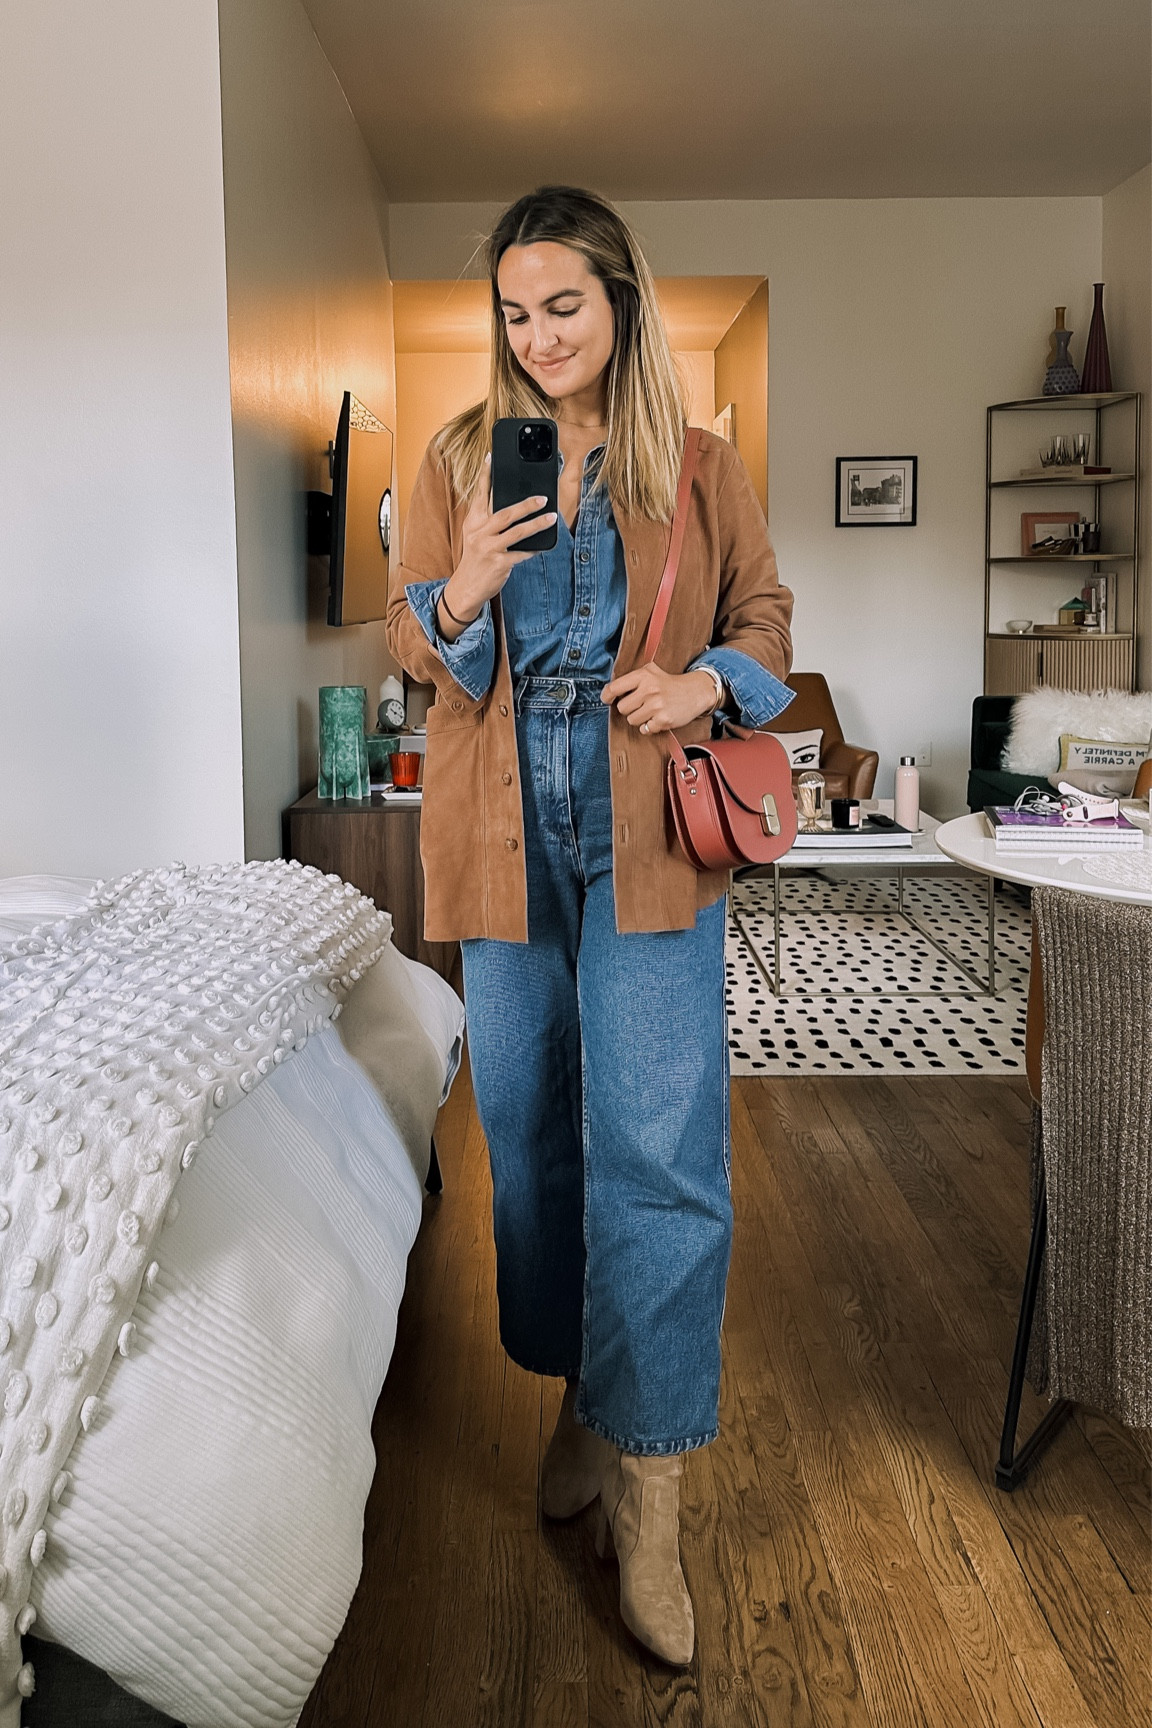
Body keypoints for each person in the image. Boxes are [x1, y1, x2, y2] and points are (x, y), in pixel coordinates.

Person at [386, 185, 794, 1666]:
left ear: (620, 301)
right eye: (515, 310)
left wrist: (708, 689)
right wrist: (464, 589)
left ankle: (654, 1490)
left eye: (564, 304)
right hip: (500, 827)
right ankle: (578, 1390)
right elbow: (413, 643)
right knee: (533, 1145)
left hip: (644, 829)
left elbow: (765, 621)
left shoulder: (693, 465)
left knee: (662, 1149)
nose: (539, 335)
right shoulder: (452, 459)